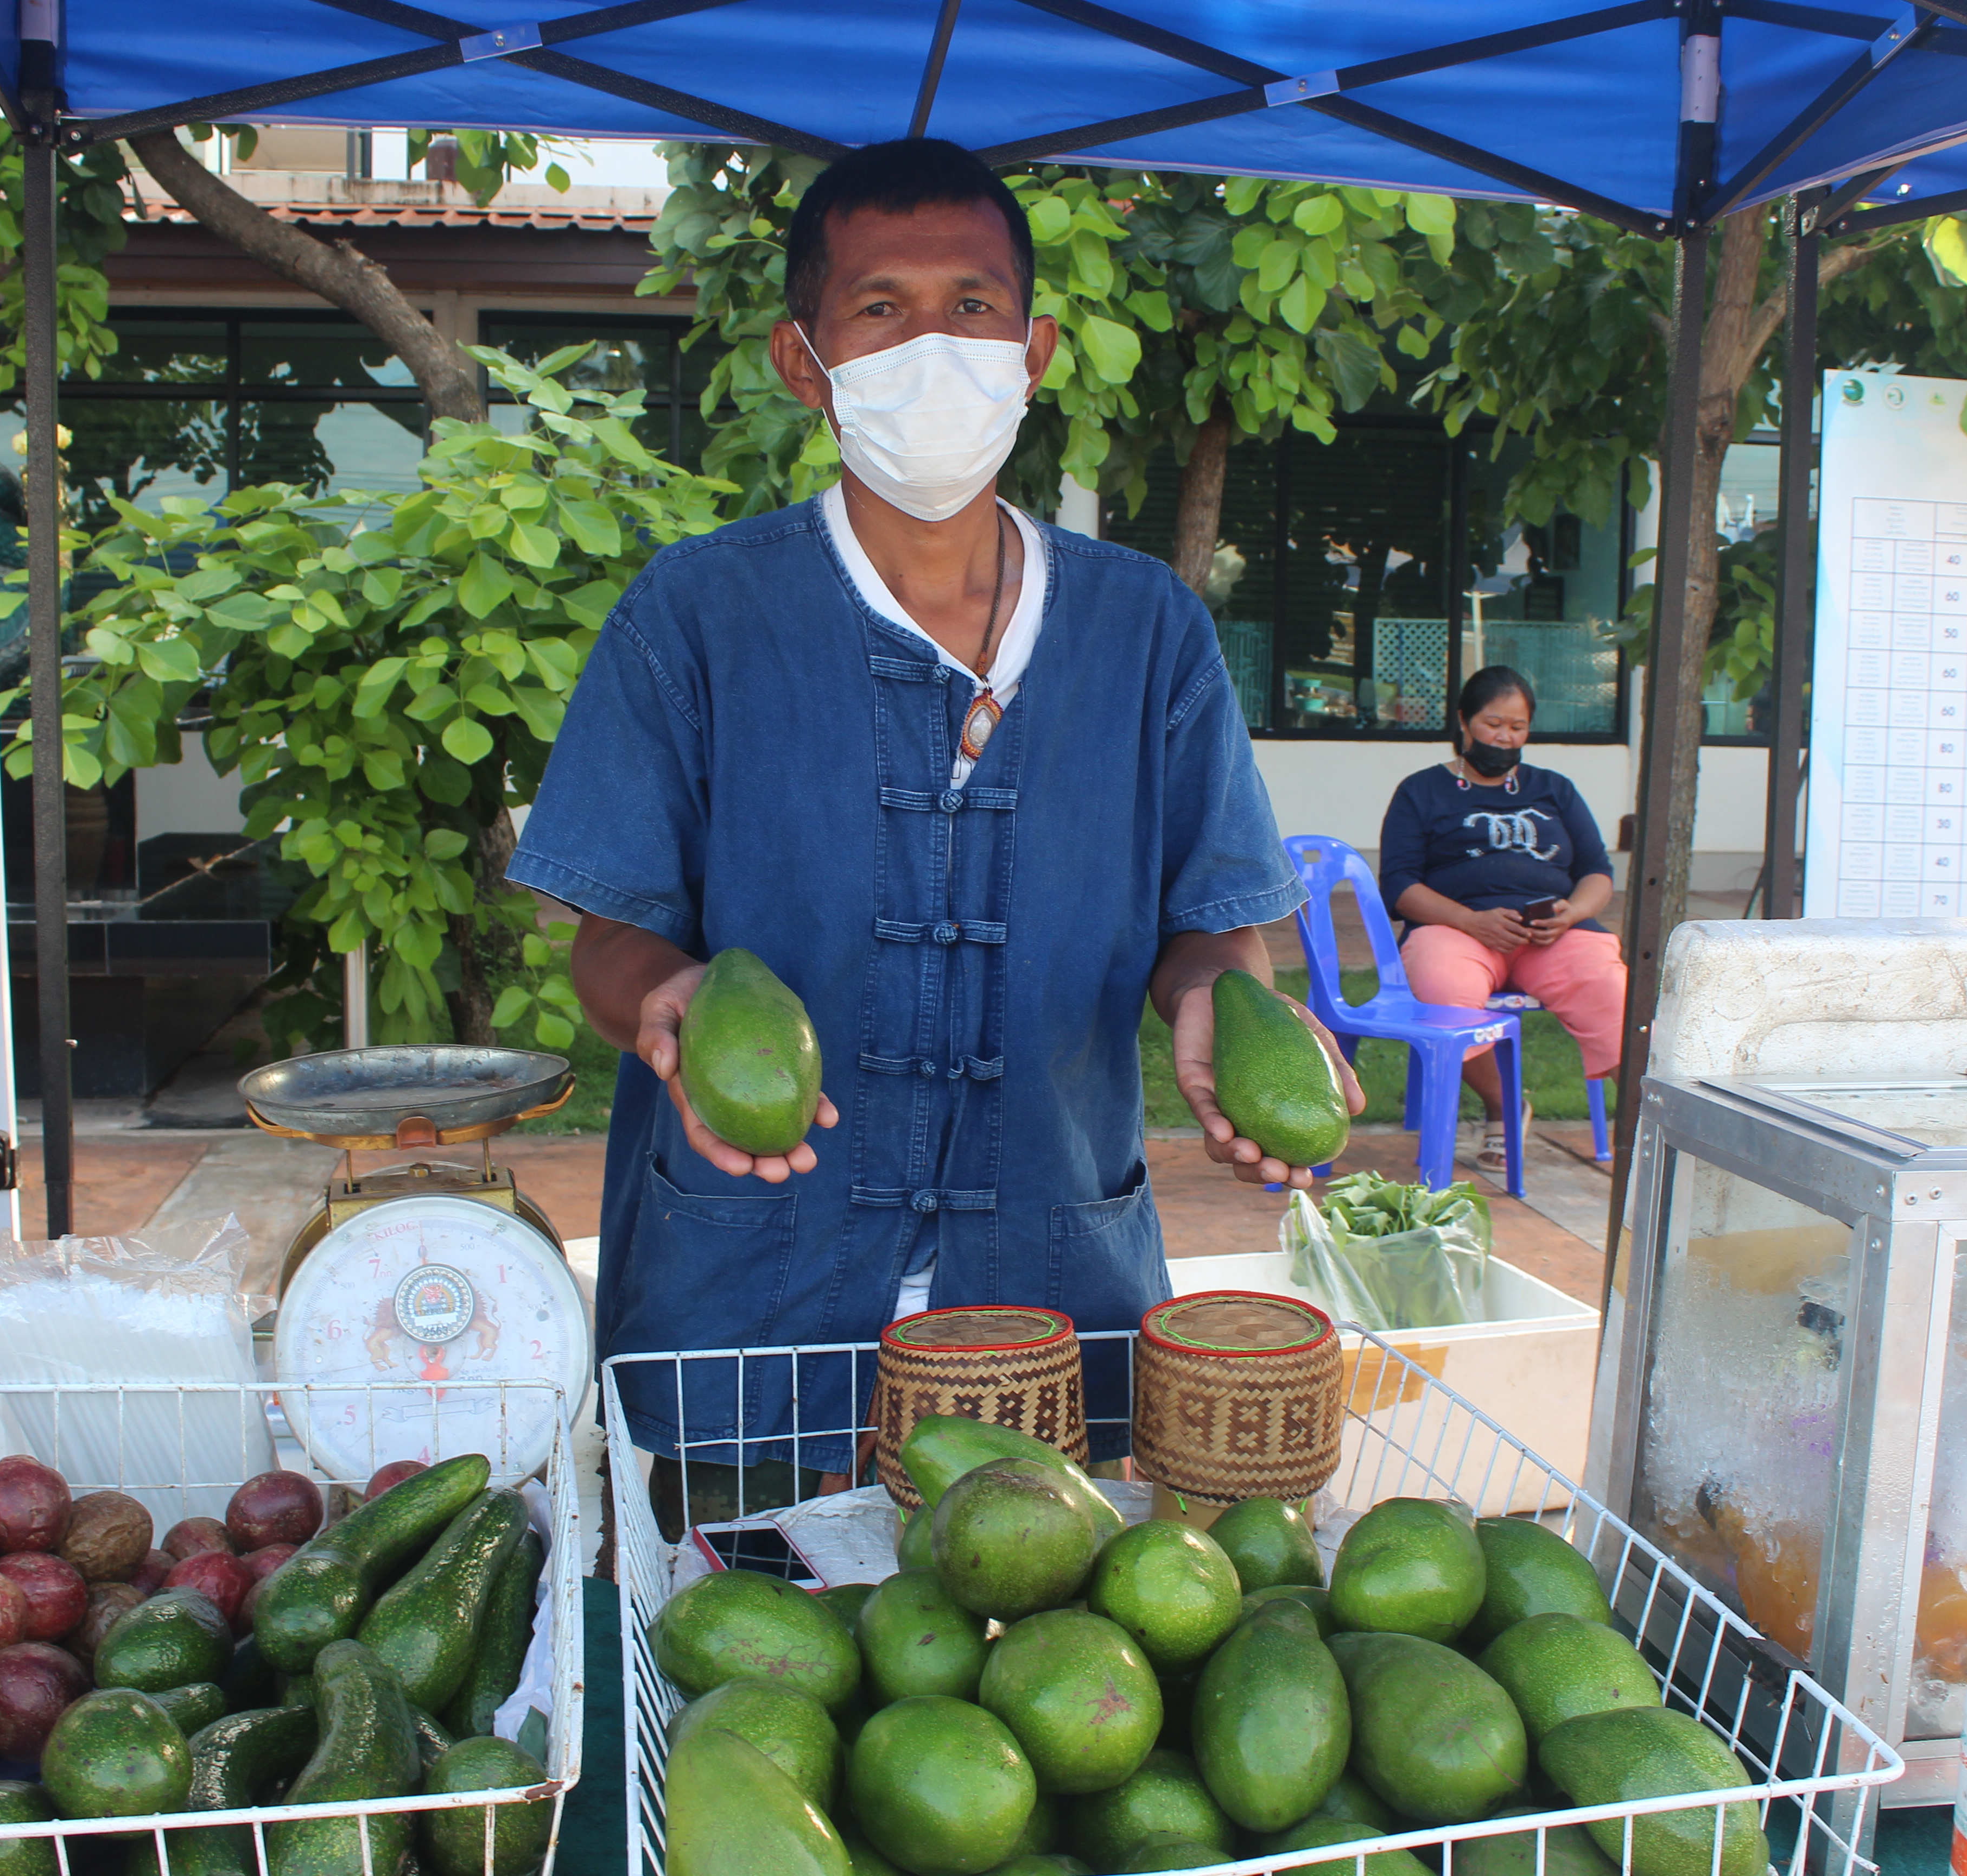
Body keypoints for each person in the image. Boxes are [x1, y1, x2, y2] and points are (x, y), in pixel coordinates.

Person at [504, 137, 1354, 1505]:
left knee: (1037, 1676)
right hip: (748, 1308)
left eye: (972, 306)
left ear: (1034, 348)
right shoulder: (695, 616)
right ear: (805, 358)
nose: (933, 343)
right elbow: (609, 933)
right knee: (744, 1685)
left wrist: (1218, 1003)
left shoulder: (1146, 630)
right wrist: (665, 997)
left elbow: (1212, 931)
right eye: (881, 308)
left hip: (1050, 1311)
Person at [1377, 666, 1624, 1171]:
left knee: (1609, 988)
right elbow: (1399, 885)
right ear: (1465, 721)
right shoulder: (1421, 792)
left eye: (1518, 728)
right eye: (1494, 725)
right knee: (1445, 989)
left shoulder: (1555, 789)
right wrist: (1471, 921)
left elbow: (1597, 872)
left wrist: (1571, 913)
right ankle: (1505, 1109)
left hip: (1551, 933)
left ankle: (1648, 1126)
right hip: (1456, 929)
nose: (1505, 738)